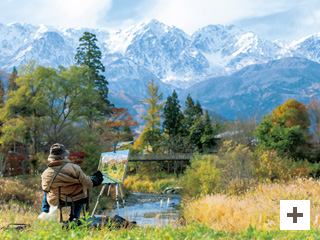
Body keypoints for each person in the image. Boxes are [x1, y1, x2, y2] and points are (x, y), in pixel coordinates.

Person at [41, 143, 103, 221]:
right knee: (78, 193)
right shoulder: (74, 168)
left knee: (46, 193)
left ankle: (44, 213)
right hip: (75, 198)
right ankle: (74, 217)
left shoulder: (46, 173)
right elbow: (88, 184)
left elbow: (45, 189)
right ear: (64, 156)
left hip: (57, 199)